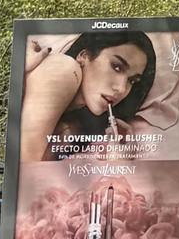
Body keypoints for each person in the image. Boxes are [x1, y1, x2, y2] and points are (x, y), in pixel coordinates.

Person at [19, 31, 158, 162]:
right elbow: (24, 168)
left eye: (131, 81)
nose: (121, 89)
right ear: (84, 56)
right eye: (116, 67)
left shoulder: (73, 127)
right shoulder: (66, 69)